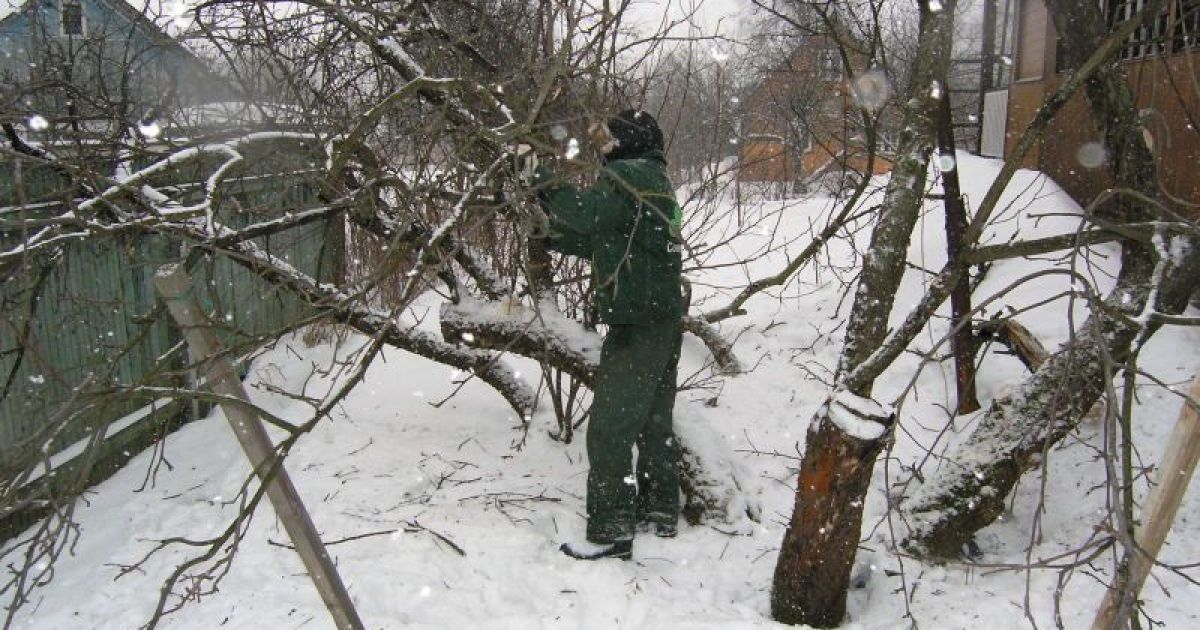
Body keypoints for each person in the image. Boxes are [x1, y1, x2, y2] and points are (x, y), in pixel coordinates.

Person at [527, 109, 685, 561]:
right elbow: (608, 234)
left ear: (626, 142)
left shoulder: (627, 175)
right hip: (661, 315)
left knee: (610, 430)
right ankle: (659, 509)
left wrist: (537, 175)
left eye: (609, 140)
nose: (603, 148)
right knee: (655, 423)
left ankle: (612, 526)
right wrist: (551, 234)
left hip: (637, 319)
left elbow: (585, 215)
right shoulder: (653, 179)